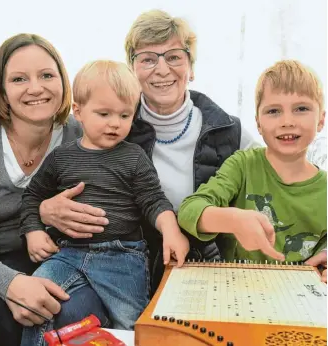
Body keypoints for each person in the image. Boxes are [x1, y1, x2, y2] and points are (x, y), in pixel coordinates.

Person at [37, 9, 265, 295]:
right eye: (147, 59)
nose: (161, 69)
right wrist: (44, 210)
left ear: (191, 68)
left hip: (208, 274)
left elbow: (291, 179)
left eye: (174, 57)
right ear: (131, 70)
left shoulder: (229, 131)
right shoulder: (102, 124)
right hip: (125, 273)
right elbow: (41, 181)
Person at [19, 60, 189, 344]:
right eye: (104, 113)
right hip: (68, 253)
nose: (115, 123)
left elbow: (153, 200)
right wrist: (33, 231)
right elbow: (33, 196)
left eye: (125, 115)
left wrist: (171, 231)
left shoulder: (134, 157)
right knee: (35, 298)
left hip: (122, 256)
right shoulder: (61, 157)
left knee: (132, 327)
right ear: (78, 111)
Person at [0, 33, 109, 346]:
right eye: (19, 79)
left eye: (47, 75)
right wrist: (9, 284)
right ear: (2, 91)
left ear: (63, 82)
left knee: (76, 311)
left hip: (36, 257)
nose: (36, 88)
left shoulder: (79, 133)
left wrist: (44, 215)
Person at [178, 60, 327, 266]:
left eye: (301, 108)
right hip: (239, 290)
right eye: (273, 111)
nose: (287, 121)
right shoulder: (242, 165)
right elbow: (189, 210)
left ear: (321, 120)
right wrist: (233, 220)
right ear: (258, 123)